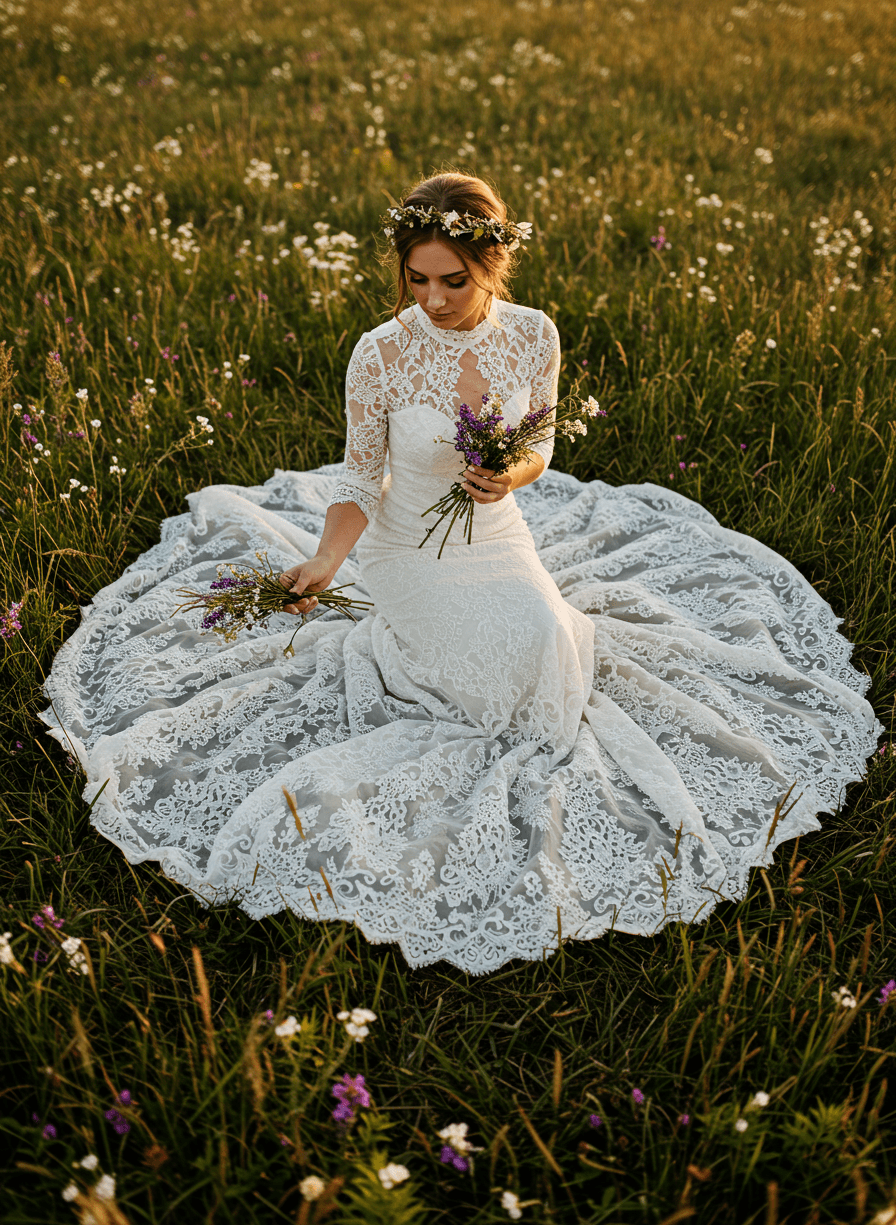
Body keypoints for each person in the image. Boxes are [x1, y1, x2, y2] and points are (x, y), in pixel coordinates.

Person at [42, 171, 881, 975]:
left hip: (497, 528)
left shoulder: (535, 333)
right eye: (416, 279)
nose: (432, 300)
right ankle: (405, 648)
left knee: (549, 645)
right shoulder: (380, 355)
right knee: (500, 684)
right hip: (405, 544)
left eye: (452, 280)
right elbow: (356, 476)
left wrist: (510, 476)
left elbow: (543, 441)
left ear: (491, 265)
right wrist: (330, 558)